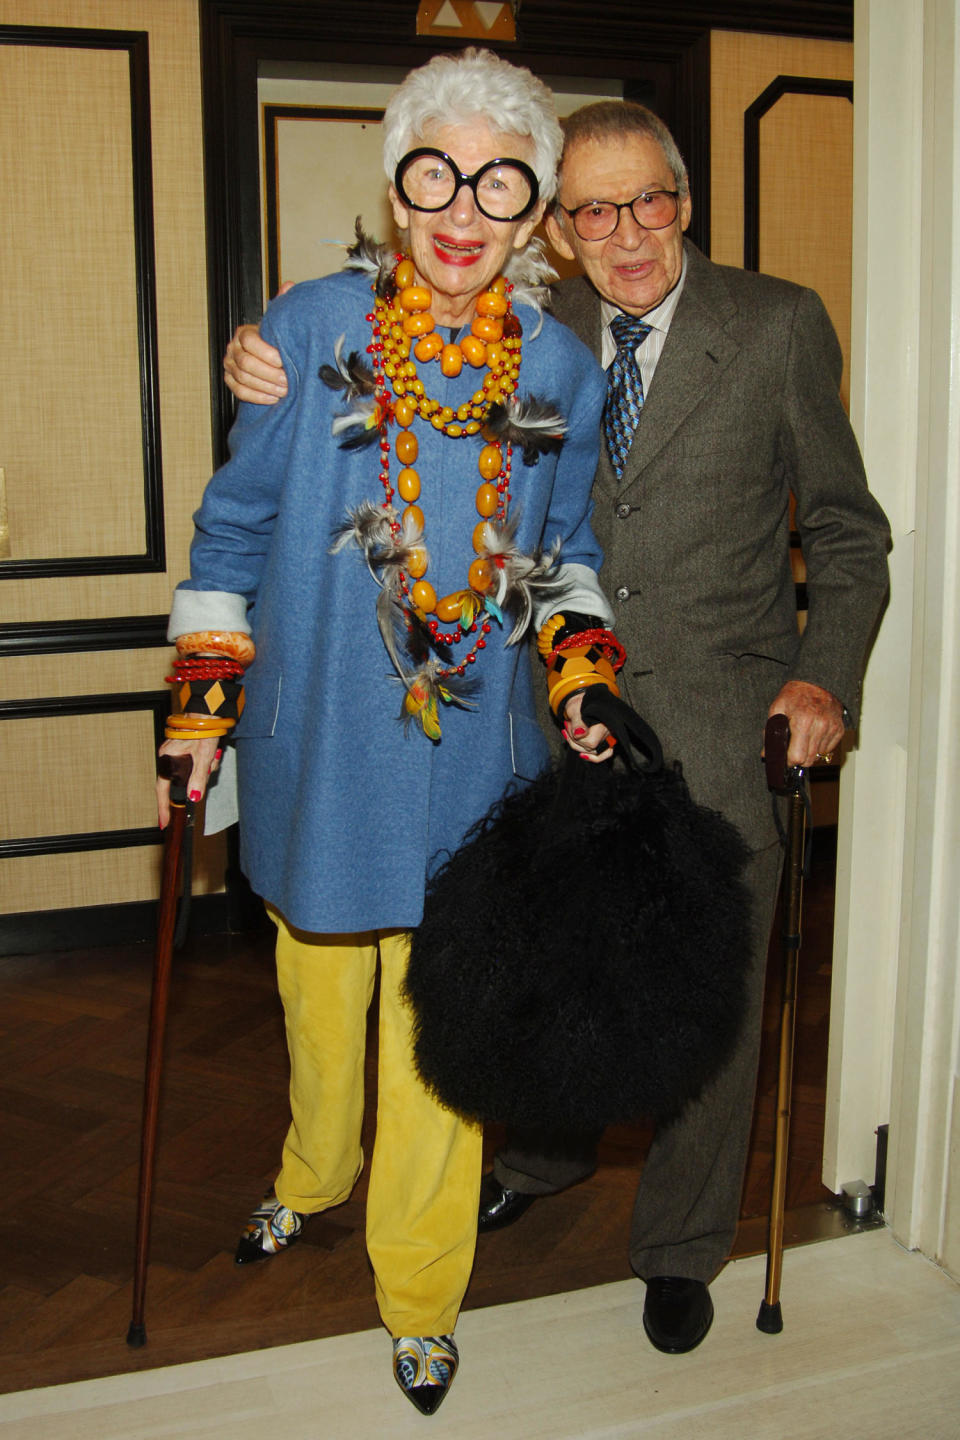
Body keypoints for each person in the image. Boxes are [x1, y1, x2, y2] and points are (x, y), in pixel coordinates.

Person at [223, 98, 891, 1358]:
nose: (624, 232)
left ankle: (681, 1247)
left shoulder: (778, 324)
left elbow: (847, 530)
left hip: (714, 704)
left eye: (647, 201)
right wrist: (253, 359)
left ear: (684, 203)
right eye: (591, 208)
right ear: (559, 230)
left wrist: (823, 680)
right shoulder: (528, 330)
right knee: (534, 968)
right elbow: (359, 377)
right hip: (533, 713)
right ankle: (532, 1161)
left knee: (708, 994)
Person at [158, 50, 621, 1415]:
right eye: (437, 172)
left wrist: (585, 675)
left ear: (534, 206)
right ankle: (311, 1173)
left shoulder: (559, 368)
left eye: (499, 179)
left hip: (478, 753)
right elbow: (232, 526)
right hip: (317, 739)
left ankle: (420, 1293)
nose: (464, 207)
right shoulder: (304, 328)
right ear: (400, 185)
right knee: (318, 989)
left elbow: (572, 550)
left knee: (443, 1024)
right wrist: (200, 708)